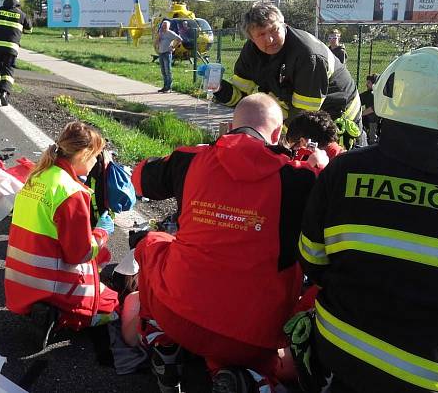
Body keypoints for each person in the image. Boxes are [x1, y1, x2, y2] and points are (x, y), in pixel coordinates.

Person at [298, 47, 438, 393]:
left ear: (391, 95)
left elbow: (312, 257)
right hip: (430, 376)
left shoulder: (344, 170)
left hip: (339, 347)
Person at [130, 94, 324, 392]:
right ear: (276, 135)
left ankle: (161, 340)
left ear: (230, 126)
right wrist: (322, 166)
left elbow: (139, 178)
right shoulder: (301, 180)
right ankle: (247, 378)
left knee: (152, 241)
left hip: (178, 317)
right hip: (255, 337)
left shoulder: (191, 158)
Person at [4, 122, 119, 349]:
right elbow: (79, 254)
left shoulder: (39, 176)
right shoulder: (71, 193)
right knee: (114, 305)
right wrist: (102, 232)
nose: (96, 162)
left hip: (20, 282)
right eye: (95, 156)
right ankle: (61, 316)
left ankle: (45, 308)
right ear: (84, 154)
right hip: (52, 284)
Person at [214, 1, 365, 149]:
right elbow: (243, 99)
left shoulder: (308, 55)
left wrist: (276, 143)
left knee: (324, 167)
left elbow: (303, 116)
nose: (270, 39)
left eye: (274, 30)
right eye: (261, 34)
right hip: (302, 116)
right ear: (252, 38)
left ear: (284, 24)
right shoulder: (250, 53)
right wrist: (218, 88)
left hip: (336, 117)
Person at [154, 20, 182, 93]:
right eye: (163, 25)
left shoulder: (170, 33)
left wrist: (174, 47)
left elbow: (179, 39)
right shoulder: (161, 33)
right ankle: (165, 86)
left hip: (167, 53)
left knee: (167, 71)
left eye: (165, 25)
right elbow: (157, 41)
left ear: (168, 26)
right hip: (161, 53)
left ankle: (169, 87)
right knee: (163, 71)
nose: (163, 26)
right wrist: (158, 38)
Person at [360, 73, 380, 143]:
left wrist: (361, 114)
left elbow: (373, 108)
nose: (366, 84)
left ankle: (373, 138)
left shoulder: (374, 94)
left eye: (369, 83)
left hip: (375, 121)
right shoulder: (368, 94)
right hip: (369, 120)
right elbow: (359, 98)